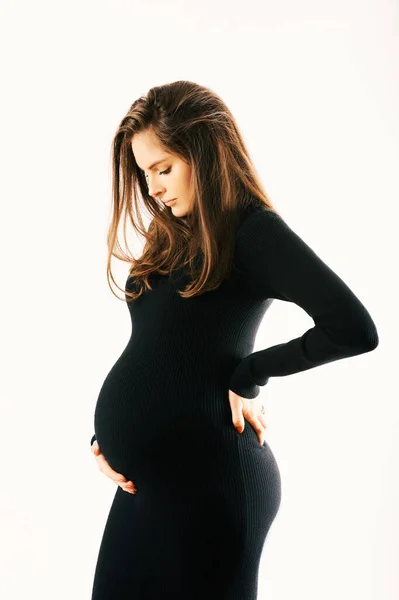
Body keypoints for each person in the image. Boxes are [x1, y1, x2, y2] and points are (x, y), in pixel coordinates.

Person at [89, 80, 379, 600]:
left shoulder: (252, 232)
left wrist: (250, 374)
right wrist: (106, 438)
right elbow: (159, 347)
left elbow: (353, 328)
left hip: (215, 486)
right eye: (144, 173)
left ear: (203, 152)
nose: (152, 187)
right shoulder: (174, 233)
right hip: (145, 491)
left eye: (163, 168)